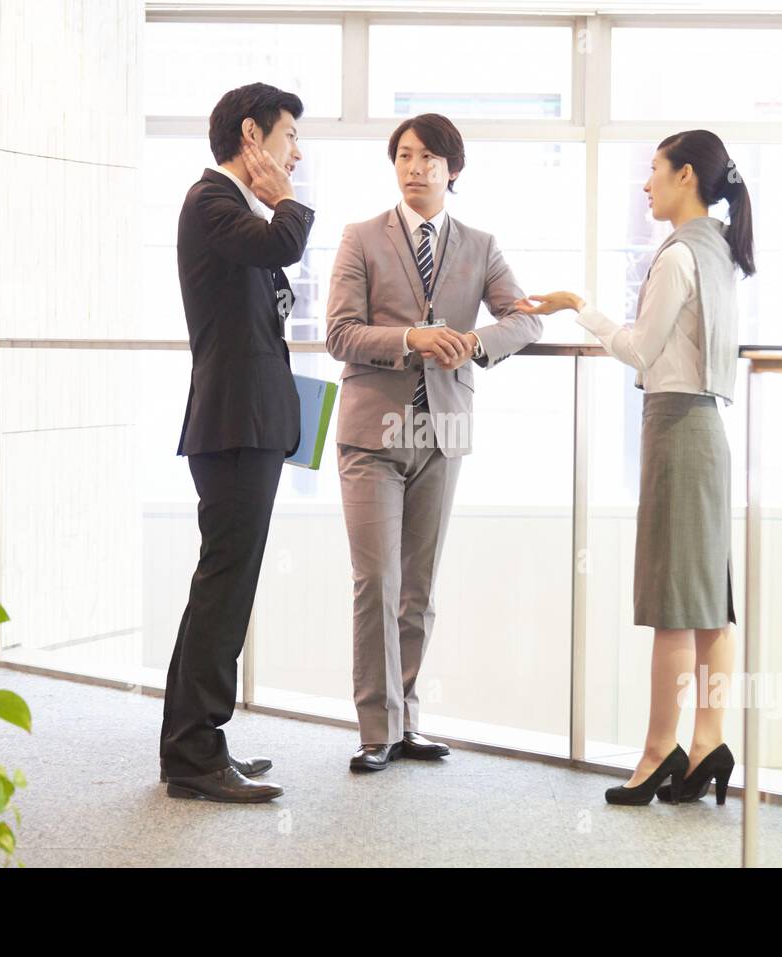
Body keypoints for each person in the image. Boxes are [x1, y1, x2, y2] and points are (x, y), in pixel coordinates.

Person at [516, 129, 755, 806]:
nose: (645, 184)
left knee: (673, 603)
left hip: (678, 429)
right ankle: (707, 741)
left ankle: (657, 752)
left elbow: (640, 349)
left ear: (685, 175)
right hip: (709, 427)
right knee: (712, 603)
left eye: (652, 172)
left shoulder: (679, 255)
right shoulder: (720, 253)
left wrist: (577, 307)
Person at [325, 113, 543, 771]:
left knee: (417, 587)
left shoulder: (480, 244)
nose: (415, 168)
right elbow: (338, 333)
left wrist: (474, 343)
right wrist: (409, 339)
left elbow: (524, 318)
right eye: (405, 156)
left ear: (453, 169)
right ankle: (375, 728)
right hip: (372, 434)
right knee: (378, 579)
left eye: (428, 158)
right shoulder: (360, 237)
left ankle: (406, 718)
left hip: (441, 432)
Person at [159, 83, 315, 803]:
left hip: (250, 421)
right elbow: (285, 239)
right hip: (231, 423)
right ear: (252, 137)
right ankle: (193, 755)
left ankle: (197, 743)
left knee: (224, 585)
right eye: (288, 138)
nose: (296, 154)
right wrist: (286, 194)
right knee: (223, 586)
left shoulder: (229, 208)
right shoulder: (211, 201)